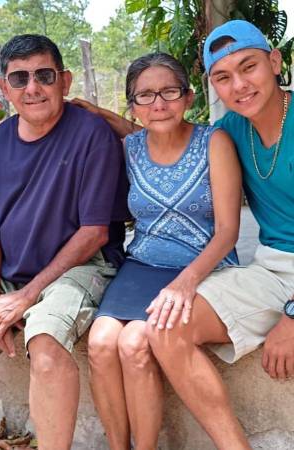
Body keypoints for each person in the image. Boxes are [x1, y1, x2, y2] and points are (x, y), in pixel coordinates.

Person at [75, 19, 294, 450]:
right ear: (211, 87)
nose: (240, 86)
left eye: (249, 67)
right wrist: (98, 114)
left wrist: (291, 317)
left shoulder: (225, 132)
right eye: (223, 77)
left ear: (275, 61)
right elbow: (160, 138)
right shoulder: (232, 129)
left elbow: (227, 229)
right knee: (164, 327)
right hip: (271, 265)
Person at [86, 53, 241, 450]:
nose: (158, 104)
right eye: (145, 96)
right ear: (133, 106)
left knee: (135, 342)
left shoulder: (214, 141)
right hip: (142, 266)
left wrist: (185, 283)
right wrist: (88, 109)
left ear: (188, 97)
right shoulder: (132, 148)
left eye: (169, 92)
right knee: (102, 341)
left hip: (202, 267)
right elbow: (122, 129)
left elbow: (227, 231)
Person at [0, 34, 130, 450]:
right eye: (19, 78)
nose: (32, 88)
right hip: (17, 275)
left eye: (44, 75)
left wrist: (28, 296)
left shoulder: (91, 134)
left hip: (81, 268)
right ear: (4, 88)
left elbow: (95, 233)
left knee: (46, 340)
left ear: (65, 81)